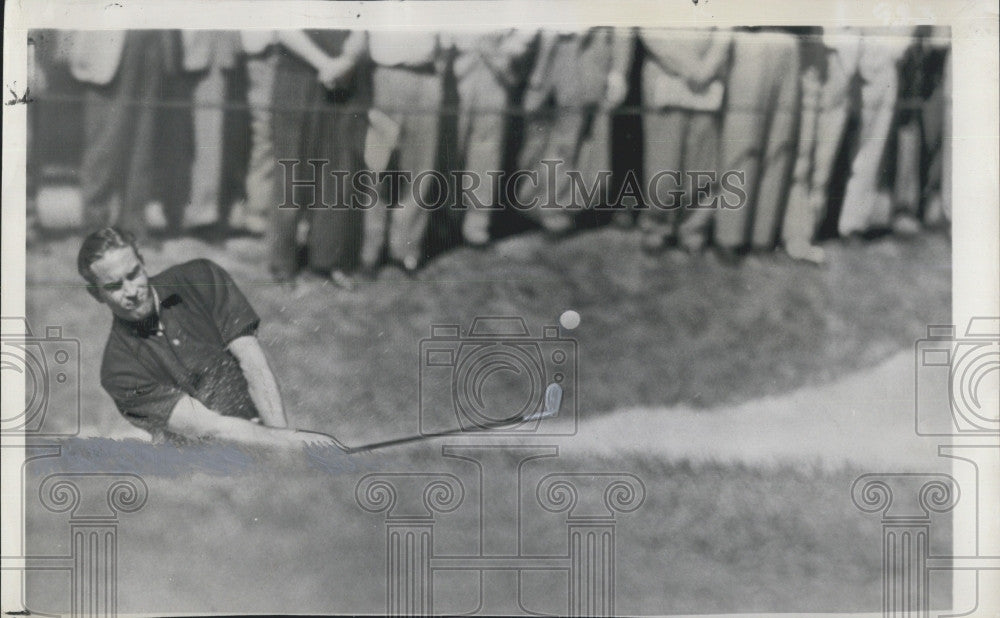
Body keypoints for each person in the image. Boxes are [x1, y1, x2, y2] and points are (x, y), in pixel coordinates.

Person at [78, 227, 338, 447]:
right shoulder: (118, 371)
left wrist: (284, 441)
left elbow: (253, 362)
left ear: (143, 261)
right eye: (114, 286)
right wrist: (286, 444)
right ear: (96, 294)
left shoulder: (201, 278)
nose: (131, 291)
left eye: (133, 274)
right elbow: (210, 427)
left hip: (264, 427)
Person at [69, 30, 194, 241]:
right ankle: (94, 225)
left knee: (143, 144)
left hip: (155, 36)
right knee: (105, 141)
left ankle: (133, 225)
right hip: (111, 38)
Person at [269, 30, 368, 287]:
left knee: (338, 171)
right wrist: (325, 64)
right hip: (297, 75)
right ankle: (284, 264)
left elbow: (362, 24)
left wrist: (347, 60)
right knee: (292, 172)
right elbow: (283, 26)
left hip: (344, 80)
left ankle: (325, 260)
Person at [517, 27, 632, 235]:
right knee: (539, 134)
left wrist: (618, 73)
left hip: (591, 56)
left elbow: (623, 24)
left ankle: (559, 206)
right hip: (545, 54)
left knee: (576, 137)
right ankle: (533, 200)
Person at [636, 27, 731, 254]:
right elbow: (648, 28)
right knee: (663, 158)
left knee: (702, 159)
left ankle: (694, 228)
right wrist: (688, 67)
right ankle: (657, 226)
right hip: (665, 72)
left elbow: (727, 25)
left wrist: (708, 67)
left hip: (708, 77)